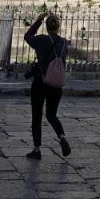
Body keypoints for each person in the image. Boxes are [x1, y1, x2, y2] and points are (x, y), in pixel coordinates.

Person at [24, 9, 70, 159]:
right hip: (56, 84)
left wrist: (39, 20)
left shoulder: (42, 40)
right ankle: (62, 137)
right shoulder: (63, 43)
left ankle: (37, 150)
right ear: (58, 27)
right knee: (52, 115)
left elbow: (28, 36)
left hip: (40, 82)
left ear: (47, 27)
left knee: (36, 115)